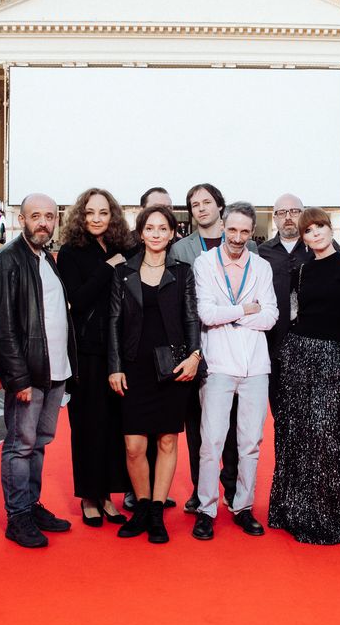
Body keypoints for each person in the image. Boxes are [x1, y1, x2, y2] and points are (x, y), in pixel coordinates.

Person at [268, 208, 340, 544]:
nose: (315, 233)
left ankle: (334, 514)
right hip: (297, 358)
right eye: (308, 230)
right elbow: (294, 316)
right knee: (296, 434)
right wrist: (289, 352)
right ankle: (296, 511)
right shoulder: (301, 271)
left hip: (333, 356)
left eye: (320, 227)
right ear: (303, 238)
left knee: (329, 436)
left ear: (330, 230)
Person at [0, 193, 78, 549]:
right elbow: (2, 325)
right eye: (36, 215)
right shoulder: (8, 259)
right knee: (20, 445)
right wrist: (18, 378)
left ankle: (31, 505)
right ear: (21, 219)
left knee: (39, 443)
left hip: (55, 371)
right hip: (29, 374)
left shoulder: (46, 258)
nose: (43, 222)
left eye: (49, 216)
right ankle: (17, 517)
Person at [108, 206, 202, 543]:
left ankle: (157, 512)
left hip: (172, 366)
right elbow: (114, 323)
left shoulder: (183, 272)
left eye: (163, 228)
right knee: (134, 445)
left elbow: (191, 317)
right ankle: (142, 507)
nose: (157, 234)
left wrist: (194, 356)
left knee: (166, 440)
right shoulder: (123, 272)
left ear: (172, 232)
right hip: (134, 366)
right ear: (141, 233)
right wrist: (115, 366)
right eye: (150, 228)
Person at [191, 201, 278, 540]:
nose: (238, 237)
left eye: (244, 231)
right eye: (232, 230)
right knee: (211, 441)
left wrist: (230, 313)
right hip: (218, 364)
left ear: (252, 231)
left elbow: (270, 317)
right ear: (222, 226)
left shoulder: (262, 266)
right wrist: (245, 309)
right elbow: (206, 314)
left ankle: (243, 507)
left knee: (250, 442)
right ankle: (206, 509)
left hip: (256, 366)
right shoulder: (204, 263)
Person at [169, 183, 252, 513]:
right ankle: (198, 489)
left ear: (220, 206)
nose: (201, 208)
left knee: (231, 423)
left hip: (235, 346)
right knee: (196, 425)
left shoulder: (247, 245)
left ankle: (230, 486)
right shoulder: (181, 249)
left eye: (206, 202)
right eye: (194, 204)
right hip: (196, 346)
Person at [56, 188, 134, 528]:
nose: (97, 218)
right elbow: (77, 300)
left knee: (114, 425)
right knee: (87, 425)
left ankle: (106, 496)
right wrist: (107, 268)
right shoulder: (70, 252)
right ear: (81, 216)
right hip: (86, 351)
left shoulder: (123, 248)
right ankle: (89, 496)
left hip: (119, 350)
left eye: (104, 212)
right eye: (90, 212)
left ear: (113, 215)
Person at [257, 192, 340, 411]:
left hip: (316, 344)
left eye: (294, 211)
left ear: (303, 214)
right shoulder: (261, 252)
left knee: (314, 411)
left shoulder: (322, 246)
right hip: (273, 343)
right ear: (274, 218)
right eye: (282, 213)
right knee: (279, 409)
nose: (288, 217)